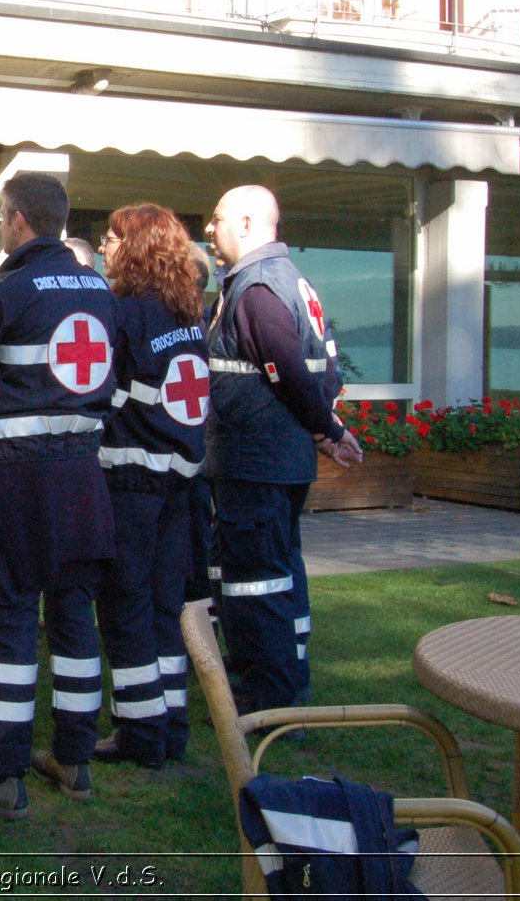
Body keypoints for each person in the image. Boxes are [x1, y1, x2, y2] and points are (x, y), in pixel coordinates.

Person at [0, 173, 118, 818]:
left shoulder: (6, 290)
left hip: (15, 479)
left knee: (10, 620)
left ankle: (0, 773)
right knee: (73, 618)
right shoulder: (100, 288)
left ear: (16, 221)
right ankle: (74, 759)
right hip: (83, 476)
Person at [203, 185, 360, 715]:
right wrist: (325, 428)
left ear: (246, 223)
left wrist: (329, 432)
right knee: (283, 567)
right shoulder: (293, 282)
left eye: (218, 217)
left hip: (255, 460)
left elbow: (290, 371)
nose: (209, 227)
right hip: (281, 458)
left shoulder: (257, 288)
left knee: (256, 581)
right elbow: (327, 367)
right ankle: (290, 672)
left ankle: (267, 695)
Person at [92, 204, 209, 769]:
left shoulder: (124, 314)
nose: (103, 247)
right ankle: (173, 724)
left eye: (112, 239)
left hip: (131, 480)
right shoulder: (186, 312)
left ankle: (140, 734)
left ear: (134, 247)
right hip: (179, 482)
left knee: (125, 605)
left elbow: (105, 395)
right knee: (165, 605)